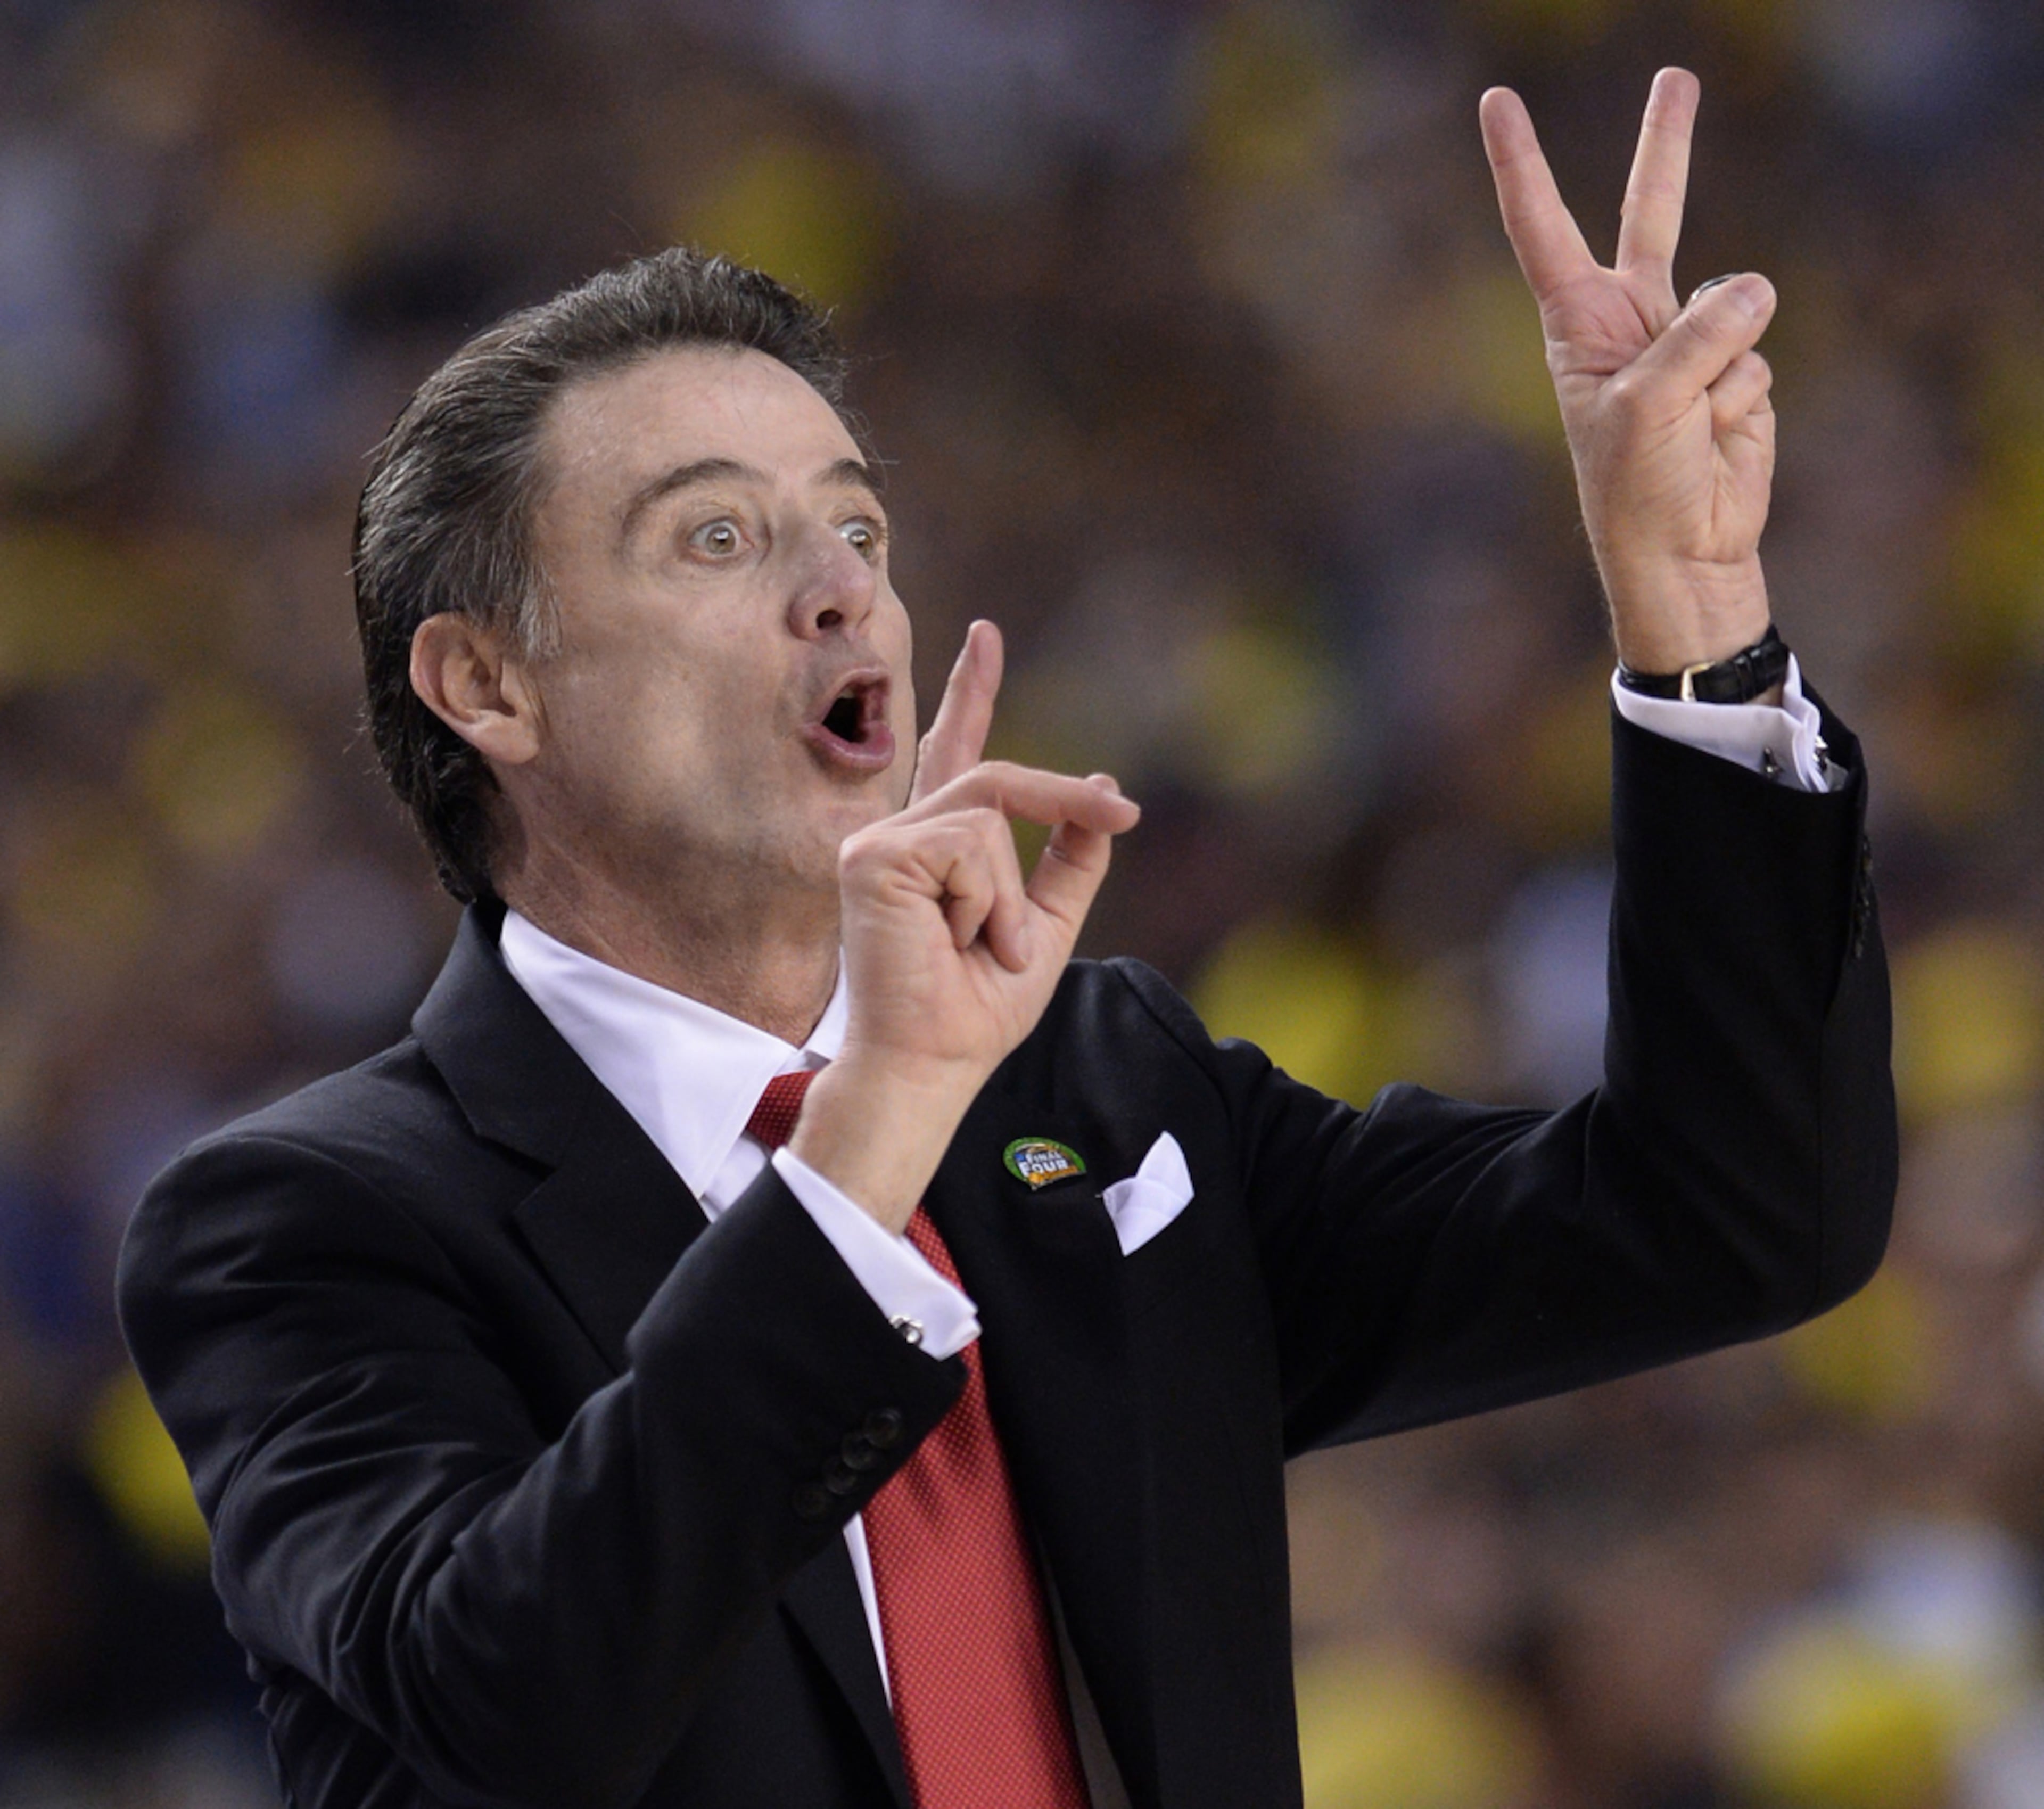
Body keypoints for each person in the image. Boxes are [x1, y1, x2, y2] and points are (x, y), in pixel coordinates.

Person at [117, 70, 1893, 1809]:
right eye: (717, 535)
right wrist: (874, 1133)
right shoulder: (305, 1224)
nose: (841, 584)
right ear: (488, 684)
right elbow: (514, 1704)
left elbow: (1726, 1220)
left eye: (857, 523)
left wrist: (1696, 622)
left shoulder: (1100, 1089)